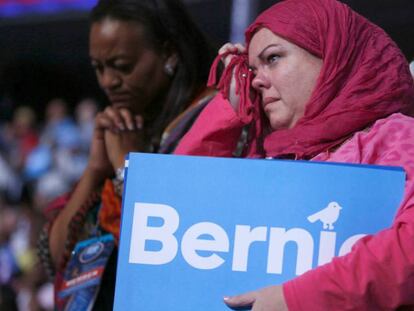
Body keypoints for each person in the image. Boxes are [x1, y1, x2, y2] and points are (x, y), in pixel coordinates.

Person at [175, 0, 414, 310]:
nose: (257, 80)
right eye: (251, 69)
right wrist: (229, 106)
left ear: (332, 58)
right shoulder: (265, 155)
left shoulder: (399, 138)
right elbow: (177, 206)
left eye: (272, 58)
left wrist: (297, 298)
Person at [37, 0, 214, 310]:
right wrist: (95, 169)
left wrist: (128, 168)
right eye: (98, 68)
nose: (108, 81)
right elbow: (58, 257)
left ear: (170, 54)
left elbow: (183, 249)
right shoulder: (125, 130)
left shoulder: (209, 125)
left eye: (122, 66)